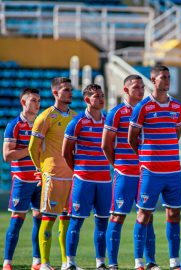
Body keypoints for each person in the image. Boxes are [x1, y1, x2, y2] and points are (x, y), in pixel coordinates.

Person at [128, 65, 181, 270]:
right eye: (163, 77)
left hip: (173, 171)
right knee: (144, 214)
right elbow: (131, 138)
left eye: (169, 76)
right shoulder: (142, 107)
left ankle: (174, 262)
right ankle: (139, 261)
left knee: (174, 214)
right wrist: (145, 157)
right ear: (153, 79)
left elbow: (175, 134)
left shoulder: (177, 107)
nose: (167, 80)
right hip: (150, 171)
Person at [103, 75, 160, 270]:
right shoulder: (117, 112)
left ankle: (146, 262)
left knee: (147, 216)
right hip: (125, 172)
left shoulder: (148, 110)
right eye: (136, 87)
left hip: (146, 173)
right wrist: (117, 165)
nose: (141, 90)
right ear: (125, 90)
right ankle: (112, 263)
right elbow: (106, 144)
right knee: (118, 216)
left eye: (142, 87)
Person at [29, 77, 77, 270]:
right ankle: (45, 264)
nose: (70, 93)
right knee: (48, 218)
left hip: (71, 176)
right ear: (55, 93)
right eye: (65, 89)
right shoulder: (45, 117)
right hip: (52, 175)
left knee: (66, 220)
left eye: (71, 89)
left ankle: (67, 263)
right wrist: (40, 170)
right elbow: (33, 147)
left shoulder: (75, 116)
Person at [62, 84, 111, 270]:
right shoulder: (77, 122)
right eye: (97, 96)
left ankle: (100, 263)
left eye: (102, 95)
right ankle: (70, 263)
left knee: (102, 221)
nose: (101, 99)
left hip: (105, 180)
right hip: (83, 180)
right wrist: (78, 170)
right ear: (87, 100)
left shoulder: (108, 121)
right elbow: (65, 151)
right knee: (77, 220)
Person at [2, 88, 42, 270]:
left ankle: (37, 261)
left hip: (40, 179)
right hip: (22, 179)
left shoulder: (41, 124)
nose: (37, 103)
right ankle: (7, 262)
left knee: (40, 219)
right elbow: (7, 155)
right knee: (17, 218)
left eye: (38, 100)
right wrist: (30, 149)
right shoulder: (14, 125)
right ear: (23, 103)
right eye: (33, 100)